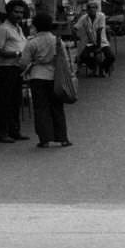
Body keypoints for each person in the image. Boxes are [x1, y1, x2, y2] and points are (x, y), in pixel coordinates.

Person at [19, 11, 72, 148]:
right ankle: (63, 138)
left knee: (41, 108)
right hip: (55, 77)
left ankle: (44, 139)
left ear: (35, 26)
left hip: (38, 77)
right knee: (57, 107)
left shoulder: (32, 42)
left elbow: (23, 62)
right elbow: (65, 60)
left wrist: (30, 65)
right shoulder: (57, 41)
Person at [0, 0, 31, 143]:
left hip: (17, 68)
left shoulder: (18, 28)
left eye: (21, 12)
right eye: (16, 12)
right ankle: (1, 133)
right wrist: (16, 54)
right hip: (5, 69)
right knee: (4, 101)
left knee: (16, 101)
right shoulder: (4, 29)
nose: (19, 15)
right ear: (9, 12)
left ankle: (14, 131)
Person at [73, 0, 115, 77]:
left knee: (111, 57)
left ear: (96, 9)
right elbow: (75, 28)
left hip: (102, 42)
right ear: (87, 10)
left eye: (94, 7)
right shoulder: (84, 18)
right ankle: (94, 67)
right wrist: (77, 38)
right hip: (90, 42)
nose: (92, 9)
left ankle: (102, 67)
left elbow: (99, 32)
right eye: (90, 8)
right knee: (83, 56)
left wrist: (98, 47)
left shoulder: (101, 16)